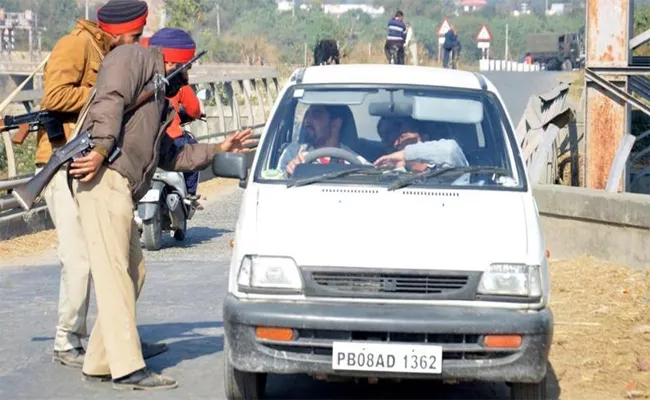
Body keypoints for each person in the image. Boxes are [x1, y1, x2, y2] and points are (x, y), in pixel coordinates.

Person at [67, 28, 254, 390]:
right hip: (105, 181)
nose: (187, 79)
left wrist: (218, 149)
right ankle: (127, 367)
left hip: (120, 189)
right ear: (174, 61)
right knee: (116, 276)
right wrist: (102, 149)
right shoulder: (130, 57)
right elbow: (109, 100)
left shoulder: (159, 104)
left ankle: (101, 359)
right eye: (186, 71)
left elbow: (173, 155)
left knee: (134, 271)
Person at [31, 0, 166, 370]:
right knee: (81, 259)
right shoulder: (76, 45)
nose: (137, 43)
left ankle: (113, 345)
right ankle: (67, 340)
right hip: (62, 162)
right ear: (116, 31)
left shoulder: (108, 51)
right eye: (135, 36)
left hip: (87, 164)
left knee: (115, 260)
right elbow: (53, 97)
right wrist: (106, 90)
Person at [141, 32, 204, 208]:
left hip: (142, 142)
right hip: (171, 138)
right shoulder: (176, 82)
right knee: (193, 154)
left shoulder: (138, 77)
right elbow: (194, 109)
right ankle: (190, 196)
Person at [280, 104, 363, 176]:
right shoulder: (293, 152)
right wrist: (290, 172)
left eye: (316, 114)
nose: (307, 120)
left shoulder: (355, 161)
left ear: (335, 124)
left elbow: (370, 175)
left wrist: (375, 171)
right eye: (307, 114)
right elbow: (276, 182)